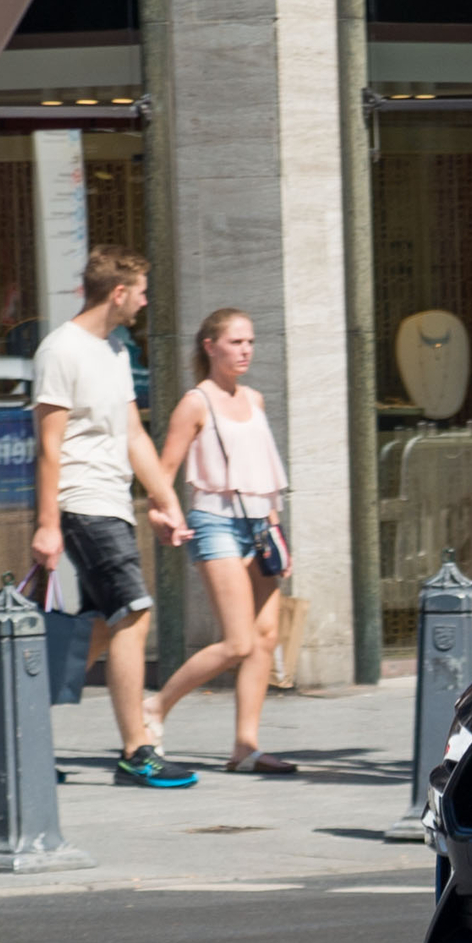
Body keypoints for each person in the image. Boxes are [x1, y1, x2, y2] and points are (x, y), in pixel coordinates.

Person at [30, 246, 196, 789]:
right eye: (142, 291)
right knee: (134, 613)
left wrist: (164, 501)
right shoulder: (61, 350)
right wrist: (48, 524)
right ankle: (136, 750)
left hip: (113, 503)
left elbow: (134, 435)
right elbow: (49, 447)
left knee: (101, 627)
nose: (146, 302)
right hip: (81, 503)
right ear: (118, 292)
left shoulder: (114, 350)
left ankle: (20, 728)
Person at [142, 309, 298, 774]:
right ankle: (155, 707)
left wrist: (275, 533)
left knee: (265, 638)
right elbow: (162, 472)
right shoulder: (196, 402)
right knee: (236, 642)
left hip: (260, 525)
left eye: (250, 341)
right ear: (209, 346)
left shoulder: (255, 399)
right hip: (215, 522)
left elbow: (265, 476)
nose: (245, 350)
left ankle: (244, 748)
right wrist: (162, 513)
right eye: (235, 342)